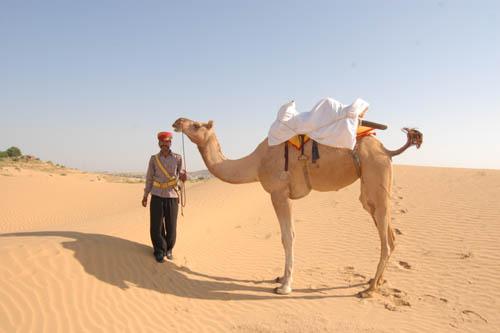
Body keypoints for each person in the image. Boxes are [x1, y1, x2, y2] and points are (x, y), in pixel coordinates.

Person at [142, 131, 187, 263]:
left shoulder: (178, 158)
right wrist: (145, 195)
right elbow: (149, 178)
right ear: (159, 143)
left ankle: (169, 249)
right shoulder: (154, 159)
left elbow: (182, 176)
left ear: (170, 143)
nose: (165, 144)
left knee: (171, 226)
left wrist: (182, 180)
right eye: (162, 142)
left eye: (167, 142)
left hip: (172, 196)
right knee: (156, 226)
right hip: (156, 195)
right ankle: (159, 250)